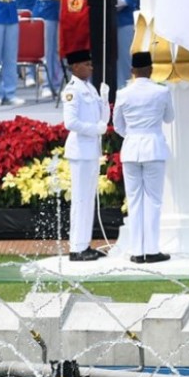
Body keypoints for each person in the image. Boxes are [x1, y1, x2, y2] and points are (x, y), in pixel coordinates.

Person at [113, 51, 175, 264]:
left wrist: (132, 135)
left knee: (134, 200)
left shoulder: (123, 93)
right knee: (154, 200)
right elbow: (169, 118)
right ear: (151, 69)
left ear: (132, 71)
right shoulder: (161, 91)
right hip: (153, 147)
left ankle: (137, 251)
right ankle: (151, 249)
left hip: (131, 148)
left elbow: (118, 124)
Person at [62, 50, 110, 262]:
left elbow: (103, 119)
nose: (91, 67)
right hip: (80, 150)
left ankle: (84, 244)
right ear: (75, 67)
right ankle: (77, 247)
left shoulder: (89, 87)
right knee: (80, 199)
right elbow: (70, 123)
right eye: (86, 64)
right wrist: (95, 129)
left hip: (90, 150)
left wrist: (105, 99)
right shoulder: (72, 90)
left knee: (88, 199)